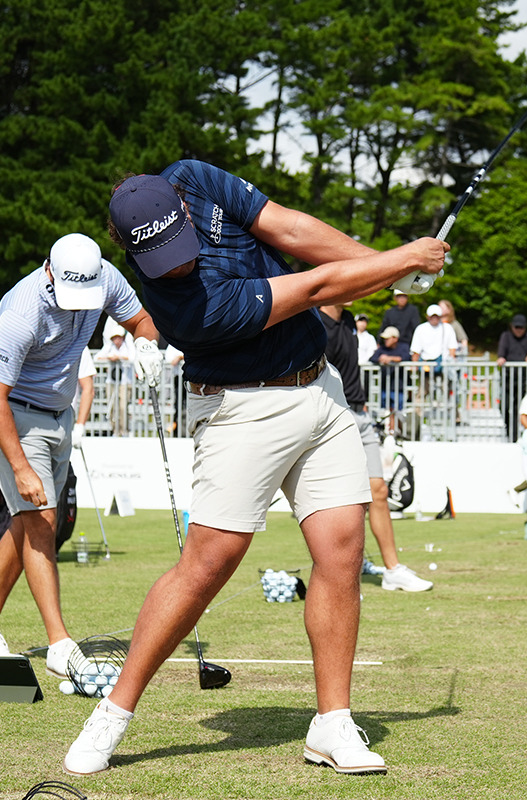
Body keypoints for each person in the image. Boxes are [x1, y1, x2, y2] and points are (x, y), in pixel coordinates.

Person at [64, 161, 447, 777]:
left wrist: (389, 264)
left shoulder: (193, 177)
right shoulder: (186, 306)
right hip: (241, 410)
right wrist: (401, 264)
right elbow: (319, 288)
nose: (179, 263)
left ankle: (332, 724)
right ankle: (112, 713)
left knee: (342, 553)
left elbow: (291, 230)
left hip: (320, 393)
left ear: (184, 208)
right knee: (207, 565)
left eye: (180, 247)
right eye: (161, 258)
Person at [0, 233, 161, 686]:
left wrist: (146, 346)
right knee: (43, 519)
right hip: (12, 417)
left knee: (25, 520)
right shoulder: (23, 310)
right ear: (49, 271)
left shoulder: (102, 277)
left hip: (59, 416)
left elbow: (142, 319)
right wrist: (22, 467)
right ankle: (60, 645)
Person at [320, 303, 433, 592]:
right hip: (334, 414)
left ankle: (392, 570)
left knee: (378, 490)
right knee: (339, 502)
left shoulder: (347, 321)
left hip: (360, 413)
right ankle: (336, 577)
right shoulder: (314, 321)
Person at [496, 315, 527, 441]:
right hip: (508, 379)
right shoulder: (506, 336)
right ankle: (509, 431)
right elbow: (501, 352)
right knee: (504, 407)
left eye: (521, 327)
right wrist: (501, 357)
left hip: (522, 380)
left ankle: (516, 435)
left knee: (520, 408)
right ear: (512, 327)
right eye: (516, 327)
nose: (518, 330)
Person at [369, 327, 411, 435]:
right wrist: (381, 358)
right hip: (385, 386)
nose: (385, 340)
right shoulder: (382, 349)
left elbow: (407, 357)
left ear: (395, 338)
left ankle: (398, 433)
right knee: (386, 410)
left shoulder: (403, 347)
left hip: (399, 386)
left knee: (399, 412)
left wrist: (391, 358)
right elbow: (372, 358)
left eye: (388, 338)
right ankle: (388, 432)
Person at [97, 319, 134, 437]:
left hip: (124, 382)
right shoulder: (109, 347)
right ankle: (115, 430)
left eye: (119, 337)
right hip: (111, 381)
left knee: (123, 407)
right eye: (115, 337)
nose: (117, 340)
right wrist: (109, 358)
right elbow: (97, 358)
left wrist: (119, 358)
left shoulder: (128, 345)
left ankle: (124, 431)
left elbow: (132, 358)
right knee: (112, 407)